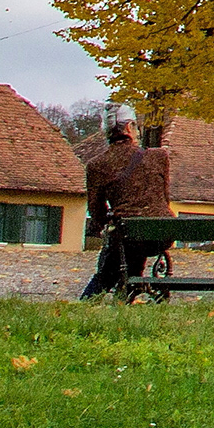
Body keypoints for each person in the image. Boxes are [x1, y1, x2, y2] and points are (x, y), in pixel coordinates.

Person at [79, 119, 174, 300]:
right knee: (132, 247)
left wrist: (103, 222)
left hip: (128, 236)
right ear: (129, 128)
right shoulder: (159, 156)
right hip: (162, 234)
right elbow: (164, 198)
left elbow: (96, 210)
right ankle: (127, 295)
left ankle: (88, 302)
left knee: (111, 265)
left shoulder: (97, 165)